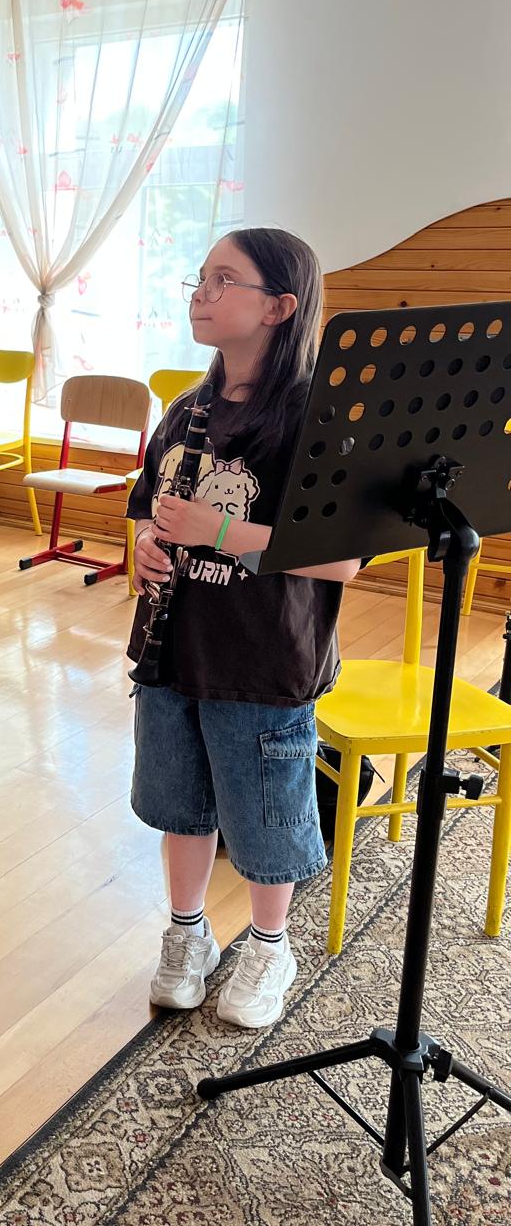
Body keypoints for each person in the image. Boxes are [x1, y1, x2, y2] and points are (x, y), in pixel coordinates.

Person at [126, 227, 360, 1030]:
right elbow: (147, 511)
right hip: (172, 653)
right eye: (200, 276)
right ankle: (187, 934)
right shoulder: (185, 411)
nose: (201, 291)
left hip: (262, 661)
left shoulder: (312, 419)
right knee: (180, 806)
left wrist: (215, 531)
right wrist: (144, 546)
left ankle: (269, 944)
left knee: (266, 818)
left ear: (279, 307)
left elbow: (340, 560)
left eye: (223, 279)